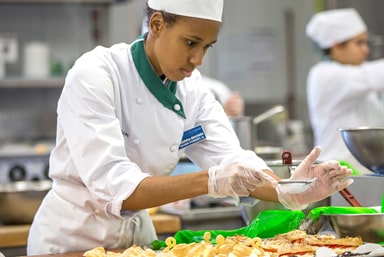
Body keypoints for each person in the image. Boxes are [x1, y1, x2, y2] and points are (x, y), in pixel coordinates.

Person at [27, 0, 353, 254]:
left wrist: (289, 191)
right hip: (73, 239)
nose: (198, 60)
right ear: (156, 24)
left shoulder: (191, 89)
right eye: (190, 43)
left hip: (136, 242)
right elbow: (117, 189)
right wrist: (209, 181)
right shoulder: (97, 75)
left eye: (207, 47)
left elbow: (231, 160)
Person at [306, 8, 384, 174]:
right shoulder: (325, 75)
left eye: (365, 43)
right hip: (338, 174)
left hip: (366, 172)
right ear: (336, 45)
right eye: (359, 43)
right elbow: (375, 75)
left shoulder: (357, 77)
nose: (366, 50)